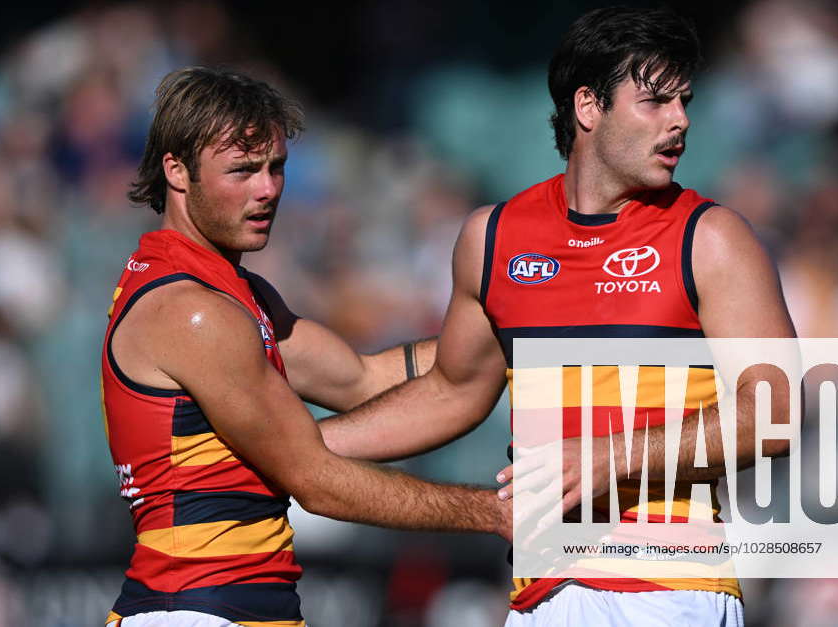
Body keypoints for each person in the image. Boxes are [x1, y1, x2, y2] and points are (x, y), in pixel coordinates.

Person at [319, 7, 795, 626]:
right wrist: (297, 446)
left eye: (685, 101)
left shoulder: (711, 236)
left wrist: (611, 458)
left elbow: (777, 414)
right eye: (654, 102)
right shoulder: (493, 236)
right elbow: (453, 391)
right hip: (538, 595)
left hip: (667, 592)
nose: (680, 121)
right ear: (588, 108)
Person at [100, 67, 510, 627]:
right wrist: (495, 511)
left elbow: (362, 380)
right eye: (242, 171)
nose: (267, 189)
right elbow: (315, 481)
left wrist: (514, 334)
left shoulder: (237, 295)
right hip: (194, 610)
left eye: (275, 168)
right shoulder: (192, 311)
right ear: (176, 171)